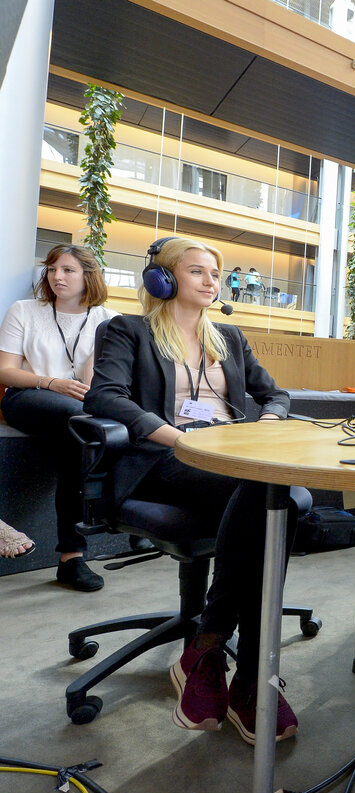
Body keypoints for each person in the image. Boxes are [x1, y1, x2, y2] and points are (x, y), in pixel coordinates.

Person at [85, 236, 303, 745]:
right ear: (163, 279)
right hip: (165, 457)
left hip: (235, 459)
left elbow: (276, 393)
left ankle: (214, 653)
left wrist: (270, 420)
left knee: (281, 496)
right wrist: (178, 437)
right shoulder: (129, 331)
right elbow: (105, 396)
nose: (211, 282)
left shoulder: (227, 336)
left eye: (215, 274)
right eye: (198, 271)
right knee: (278, 497)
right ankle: (249, 677)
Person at [0, 244, 118, 590]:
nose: (56, 277)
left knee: (77, 439)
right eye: (52, 269)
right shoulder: (25, 311)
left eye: (68, 270)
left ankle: (71, 560)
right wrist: (51, 382)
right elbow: (6, 372)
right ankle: (85, 542)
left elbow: (99, 381)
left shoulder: (105, 319)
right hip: (28, 397)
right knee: (81, 422)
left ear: (88, 276)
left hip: (79, 409)